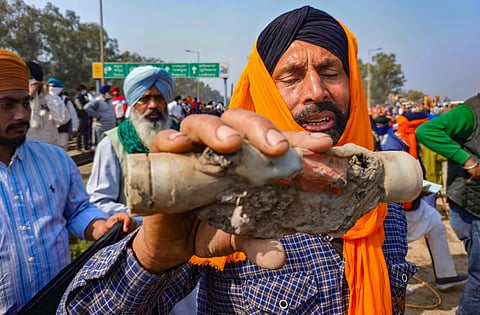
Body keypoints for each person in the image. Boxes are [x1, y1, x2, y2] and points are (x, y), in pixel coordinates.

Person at [59, 6, 417, 314]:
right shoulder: (223, 201)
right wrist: (150, 258)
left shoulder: (382, 195)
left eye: (331, 73)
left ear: (352, 82)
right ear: (263, 88)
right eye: (291, 77)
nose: (316, 91)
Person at [0, 49, 137, 314]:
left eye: (25, 103)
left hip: (61, 305)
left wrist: (100, 225)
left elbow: (77, 210)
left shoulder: (55, 160)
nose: (21, 115)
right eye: (7, 105)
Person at [374, 115, 467, 290]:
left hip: (414, 204)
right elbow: (398, 179)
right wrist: (426, 188)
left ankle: (445, 276)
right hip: (396, 206)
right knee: (392, 246)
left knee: (436, 225)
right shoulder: (394, 144)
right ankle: (391, 285)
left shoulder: (404, 140)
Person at [416, 93, 480, 314]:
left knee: (435, 226)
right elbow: (426, 131)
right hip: (468, 204)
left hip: (433, 192)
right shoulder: (469, 113)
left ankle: (445, 275)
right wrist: (468, 160)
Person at [87, 66, 173, 223]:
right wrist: (145, 219)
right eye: (144, 99)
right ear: (133, 104)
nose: (153, 105)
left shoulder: (181, 137)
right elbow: (99, 201)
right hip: (133, 236)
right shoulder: (112, 143)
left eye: (159, 98)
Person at [25, 61, 69, 147]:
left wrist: (48, 96)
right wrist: (29, 98)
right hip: (26, 147)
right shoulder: (18, 98)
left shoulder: (51, 97)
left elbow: (63, 119)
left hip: (48, 147)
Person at [46, 77, 79, 151]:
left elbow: (73, 114)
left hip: (62, 130)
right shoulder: (44, 98)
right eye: (49, 86)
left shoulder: (65, 99)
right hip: (48, 130)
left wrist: (75, 128)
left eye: (53, 86)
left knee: (61, 149)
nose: (51, 88)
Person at [73, 83, 92, 152]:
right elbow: (80, 107)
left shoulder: (85, 96)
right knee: (80, 132)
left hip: (86, 116)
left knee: (86, 131)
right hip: (80, 116)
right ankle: (79, 147)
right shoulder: (77, 97)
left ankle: (86, 146)